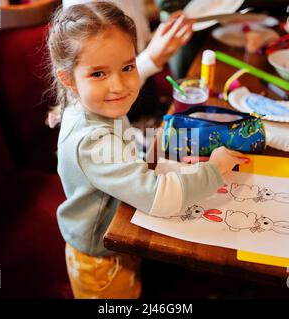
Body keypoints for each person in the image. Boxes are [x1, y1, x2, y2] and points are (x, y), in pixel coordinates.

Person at [48, 1, 250, 299]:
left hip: (118, 233)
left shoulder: (96, 106)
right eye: (98, 74)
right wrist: (215, 169)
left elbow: (124, 158)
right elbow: (159, 197)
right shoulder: (93, 140)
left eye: (127, 67)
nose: (119, 85)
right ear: (68, 79)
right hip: (102, 260)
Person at [59, 0, 194, 124]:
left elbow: (136, 38)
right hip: (120, 109)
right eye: (98, 74)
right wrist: (152, 58)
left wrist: (166, 29)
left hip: (142, 96)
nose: (118, 86)